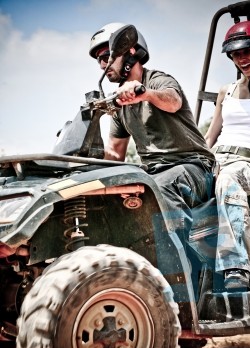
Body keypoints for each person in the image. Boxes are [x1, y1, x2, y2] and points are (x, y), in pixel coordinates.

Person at [89, 22, 215, 249]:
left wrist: (144, 93)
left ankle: (179, 266)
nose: (102, 65)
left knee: (161, 187)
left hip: (195, 168)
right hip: (154, 174)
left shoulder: (157, 81)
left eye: (106, 56)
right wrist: (86, 160)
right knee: (112, 197)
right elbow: (114, 155)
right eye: (98, 60)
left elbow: (173, 101)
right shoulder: (120, 105)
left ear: (129, 52)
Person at [205, 21, 250, 290]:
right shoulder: (225, 91)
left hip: (248, 163)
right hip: (216, 158)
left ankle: (237, 268)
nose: (241, 58)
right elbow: (210, 137)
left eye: (247, 52)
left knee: (228, 180)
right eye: (235, 54)